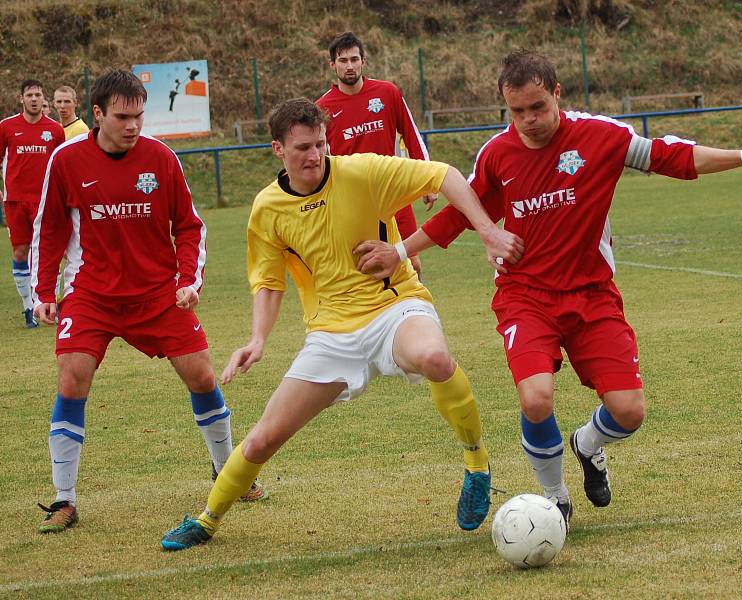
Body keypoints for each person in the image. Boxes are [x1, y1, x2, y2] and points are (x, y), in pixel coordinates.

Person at [354, 50, 742, 531]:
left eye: (537, 107)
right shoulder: (499, 153)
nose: (528, 120)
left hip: (592, 294)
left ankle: (587, 445)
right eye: (516, 111)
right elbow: (460, 213)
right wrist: (398, 252)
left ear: (557, 93)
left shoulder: (601, 135)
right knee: (536, 399)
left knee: (629, 412)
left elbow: (673, 156)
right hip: (525, 295)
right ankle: (554, 498)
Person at [159, 98, 523, 551]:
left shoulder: (362, 171)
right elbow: (269, 282)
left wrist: (487, 229)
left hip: (396, 306)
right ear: (278, 149)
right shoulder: (267, 209)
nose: (314, 155)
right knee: (262, 440)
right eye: (303, 148)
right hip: (331, 333)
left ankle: (477, 464)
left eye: (320, 144)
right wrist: (257, 339)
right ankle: (207, 519)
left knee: (433, 356)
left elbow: (444, 175)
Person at [30, 69, 265, 535]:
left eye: (139, 115)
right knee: (72, 381)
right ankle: (64, 499)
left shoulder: (161, 158)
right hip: (91, 294)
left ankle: (229, 474)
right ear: (97, 115)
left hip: (158, 295)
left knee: (201, 375)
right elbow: (50, 227)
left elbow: (190, 226)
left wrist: (188, 281)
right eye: (122, 117)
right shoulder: (67, 159)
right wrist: (43, 292)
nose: (133, 125)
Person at [316, 31, 436, 278]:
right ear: (332, 65)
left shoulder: (387, 93)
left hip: (394, 192)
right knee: (363, 267)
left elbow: (411, 135)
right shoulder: (322, 109)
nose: (349, 66)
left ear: (363, 61)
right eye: (343, 61)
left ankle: (416, 312)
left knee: (412, 263)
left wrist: (428, 181)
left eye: (354, 59)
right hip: (353, 200)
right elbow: (318, 159)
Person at [0, 79, 65, 328]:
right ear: (21, 99)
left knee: (49, 251)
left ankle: (47, 304)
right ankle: (28, 306)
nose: (35, 98)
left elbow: (61, 165)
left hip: (46, 200)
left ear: (43, 98)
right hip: (16, 200)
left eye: (38, 94)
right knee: (21, 251)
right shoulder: (6, 127)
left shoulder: (55, 130)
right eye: (30, 95)